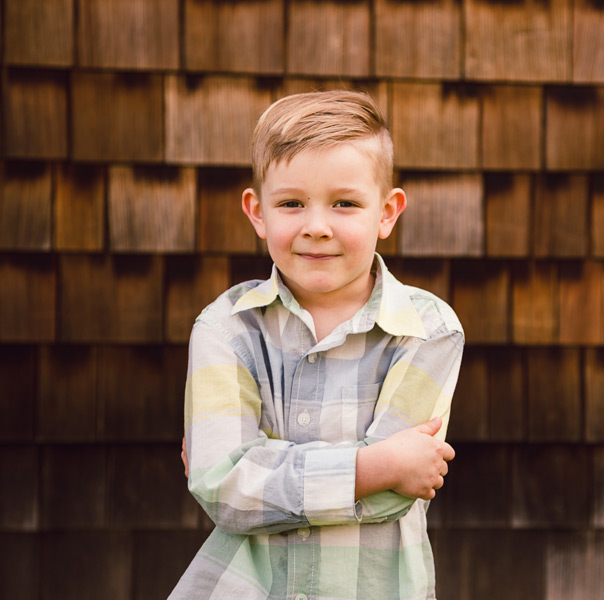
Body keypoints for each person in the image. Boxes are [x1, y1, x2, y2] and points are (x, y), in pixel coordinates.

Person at [170, 90, 464, 600]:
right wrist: (374, 465)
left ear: (387, 212)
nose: (317, 227)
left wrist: (258, 469)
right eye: (291, 203)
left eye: (345, 203)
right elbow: (224, 489)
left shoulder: (428, 330)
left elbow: (394, 497)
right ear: (257, 211)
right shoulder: (225, 329)